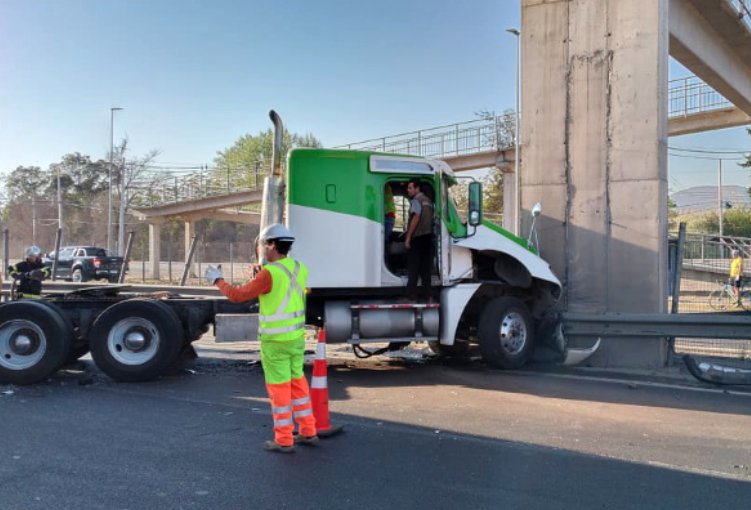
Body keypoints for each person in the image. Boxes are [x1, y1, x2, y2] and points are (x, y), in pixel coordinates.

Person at [205, 224, 317, 453]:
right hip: (296, 338)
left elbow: (237, 296)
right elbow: (294, 291)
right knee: (298, 384)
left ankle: (284, 440)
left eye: (266, 244)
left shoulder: (269, 273)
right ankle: (308, 431)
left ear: (273, 245)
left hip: (275, 342)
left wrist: (218, 280)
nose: (264, 249)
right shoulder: (299, 268)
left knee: (279, 391)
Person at [405, 179, 434, 301]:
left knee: (413, 267)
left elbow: (416, 218)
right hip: (428, 237)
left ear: (417, 189)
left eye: (410, 188)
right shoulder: (428, 201)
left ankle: (411, 295)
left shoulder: (416, 201)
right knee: (425, 269)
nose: (408, 190)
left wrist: (408, 238)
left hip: (417, 238)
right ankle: (427, 294)